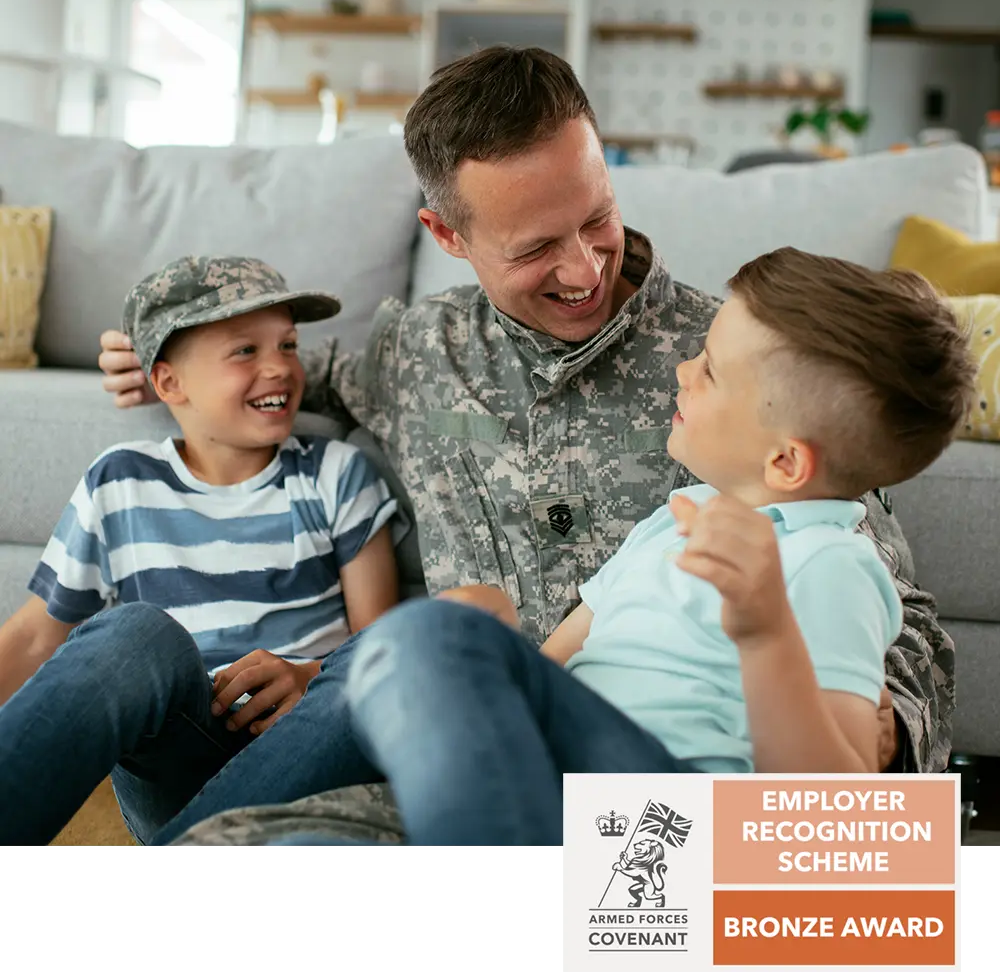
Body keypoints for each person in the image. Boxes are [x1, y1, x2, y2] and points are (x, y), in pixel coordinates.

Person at [98, 46, 954, 807]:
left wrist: (874, 741)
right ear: (448, 235)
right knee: (128, 658)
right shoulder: (417, 351)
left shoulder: (743, 367)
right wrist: (178, 362)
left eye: (596, 218)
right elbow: (305, 375)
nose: (584, 268)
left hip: (643, 787)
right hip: (432, 743)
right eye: (536, 246)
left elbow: (887, 602)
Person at [147, 246, 975, 849]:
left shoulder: (830, 562)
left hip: (672, 823)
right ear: (452, 236)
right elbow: (556, 662)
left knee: (432, 633)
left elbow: (822, 816)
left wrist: (764, 634)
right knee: (272, 845)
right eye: (536, 246)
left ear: (787, 461)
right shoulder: (678, 514)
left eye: (712, 371)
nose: (685, 371)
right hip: (559, 783)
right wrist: (491, 655)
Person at [0, 256, 401, 848]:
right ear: (168, 383)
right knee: (132, 632)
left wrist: (309, 675)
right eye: (245, 351)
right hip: (178, 759)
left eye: (288, 345)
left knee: (394, 650)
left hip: (304, 744)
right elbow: (35, 637)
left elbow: (384, 652)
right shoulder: (119, 481)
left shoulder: (336, 473)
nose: (281, 368)